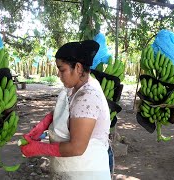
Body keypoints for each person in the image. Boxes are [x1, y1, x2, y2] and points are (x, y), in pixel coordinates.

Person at [20, 40, 111, 179]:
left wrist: (39, 148)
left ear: (79, 68)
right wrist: (44, 123)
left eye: (62, 70)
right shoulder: (74, 88)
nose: (59, 75)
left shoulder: (87, 97)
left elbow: (77, 148)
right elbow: (69, 111)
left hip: (85, 172)